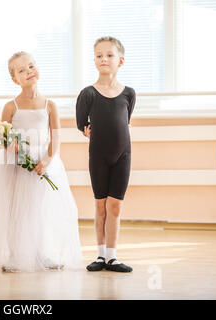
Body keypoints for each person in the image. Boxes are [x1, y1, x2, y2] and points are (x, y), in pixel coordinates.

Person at [0, 51, 82, 272]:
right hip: (15, 163)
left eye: (32, 66)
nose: (29, 72)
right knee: (17, 208)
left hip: (42, 164)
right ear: (14, 79)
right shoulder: (10, 106)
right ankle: (17, 255)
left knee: (40, 209)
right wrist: (11, 146)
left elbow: (56, 136)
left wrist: (46, 160)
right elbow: (3, 135)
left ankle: (43, 254)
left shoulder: (50, 105)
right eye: (22, 70)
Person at [76, 36, 135, 272]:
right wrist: (90, 132)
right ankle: (100, 255)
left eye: (109, 55)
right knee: (100, 205)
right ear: (94, 60)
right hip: (98, 155)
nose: (104, 59)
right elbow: (83, 125)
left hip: (123, 155)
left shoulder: (128, 93)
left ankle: (112, 256)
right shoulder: (88, 93)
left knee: (115, 206)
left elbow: (125, 120)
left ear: (120, 61)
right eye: (99, 55)